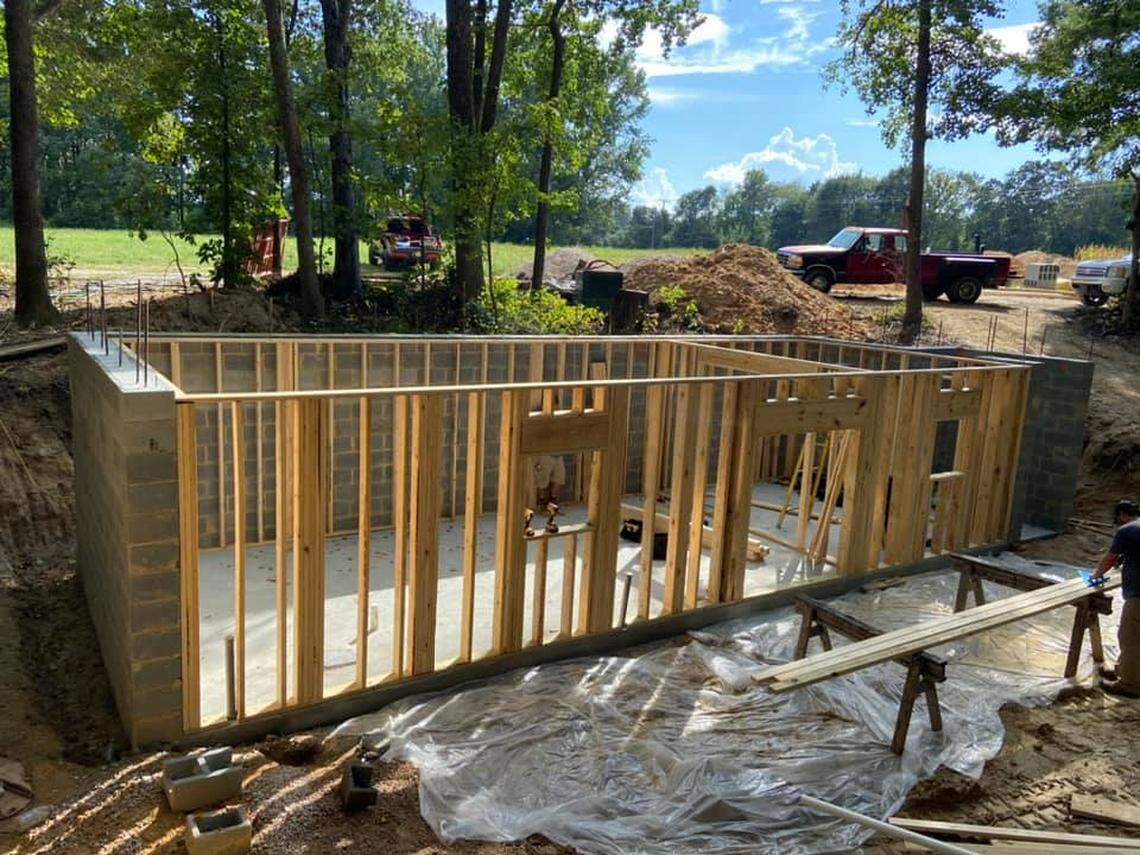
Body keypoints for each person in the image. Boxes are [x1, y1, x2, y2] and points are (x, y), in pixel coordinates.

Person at [1092, 499, 1140, 698]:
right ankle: (1125, 670)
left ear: (1121, 516)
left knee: (1132, 637)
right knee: (1131, 636)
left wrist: (1095, 578)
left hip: (1139, 596)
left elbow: (1110, 558)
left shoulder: (1127, 531)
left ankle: (1131, 684)